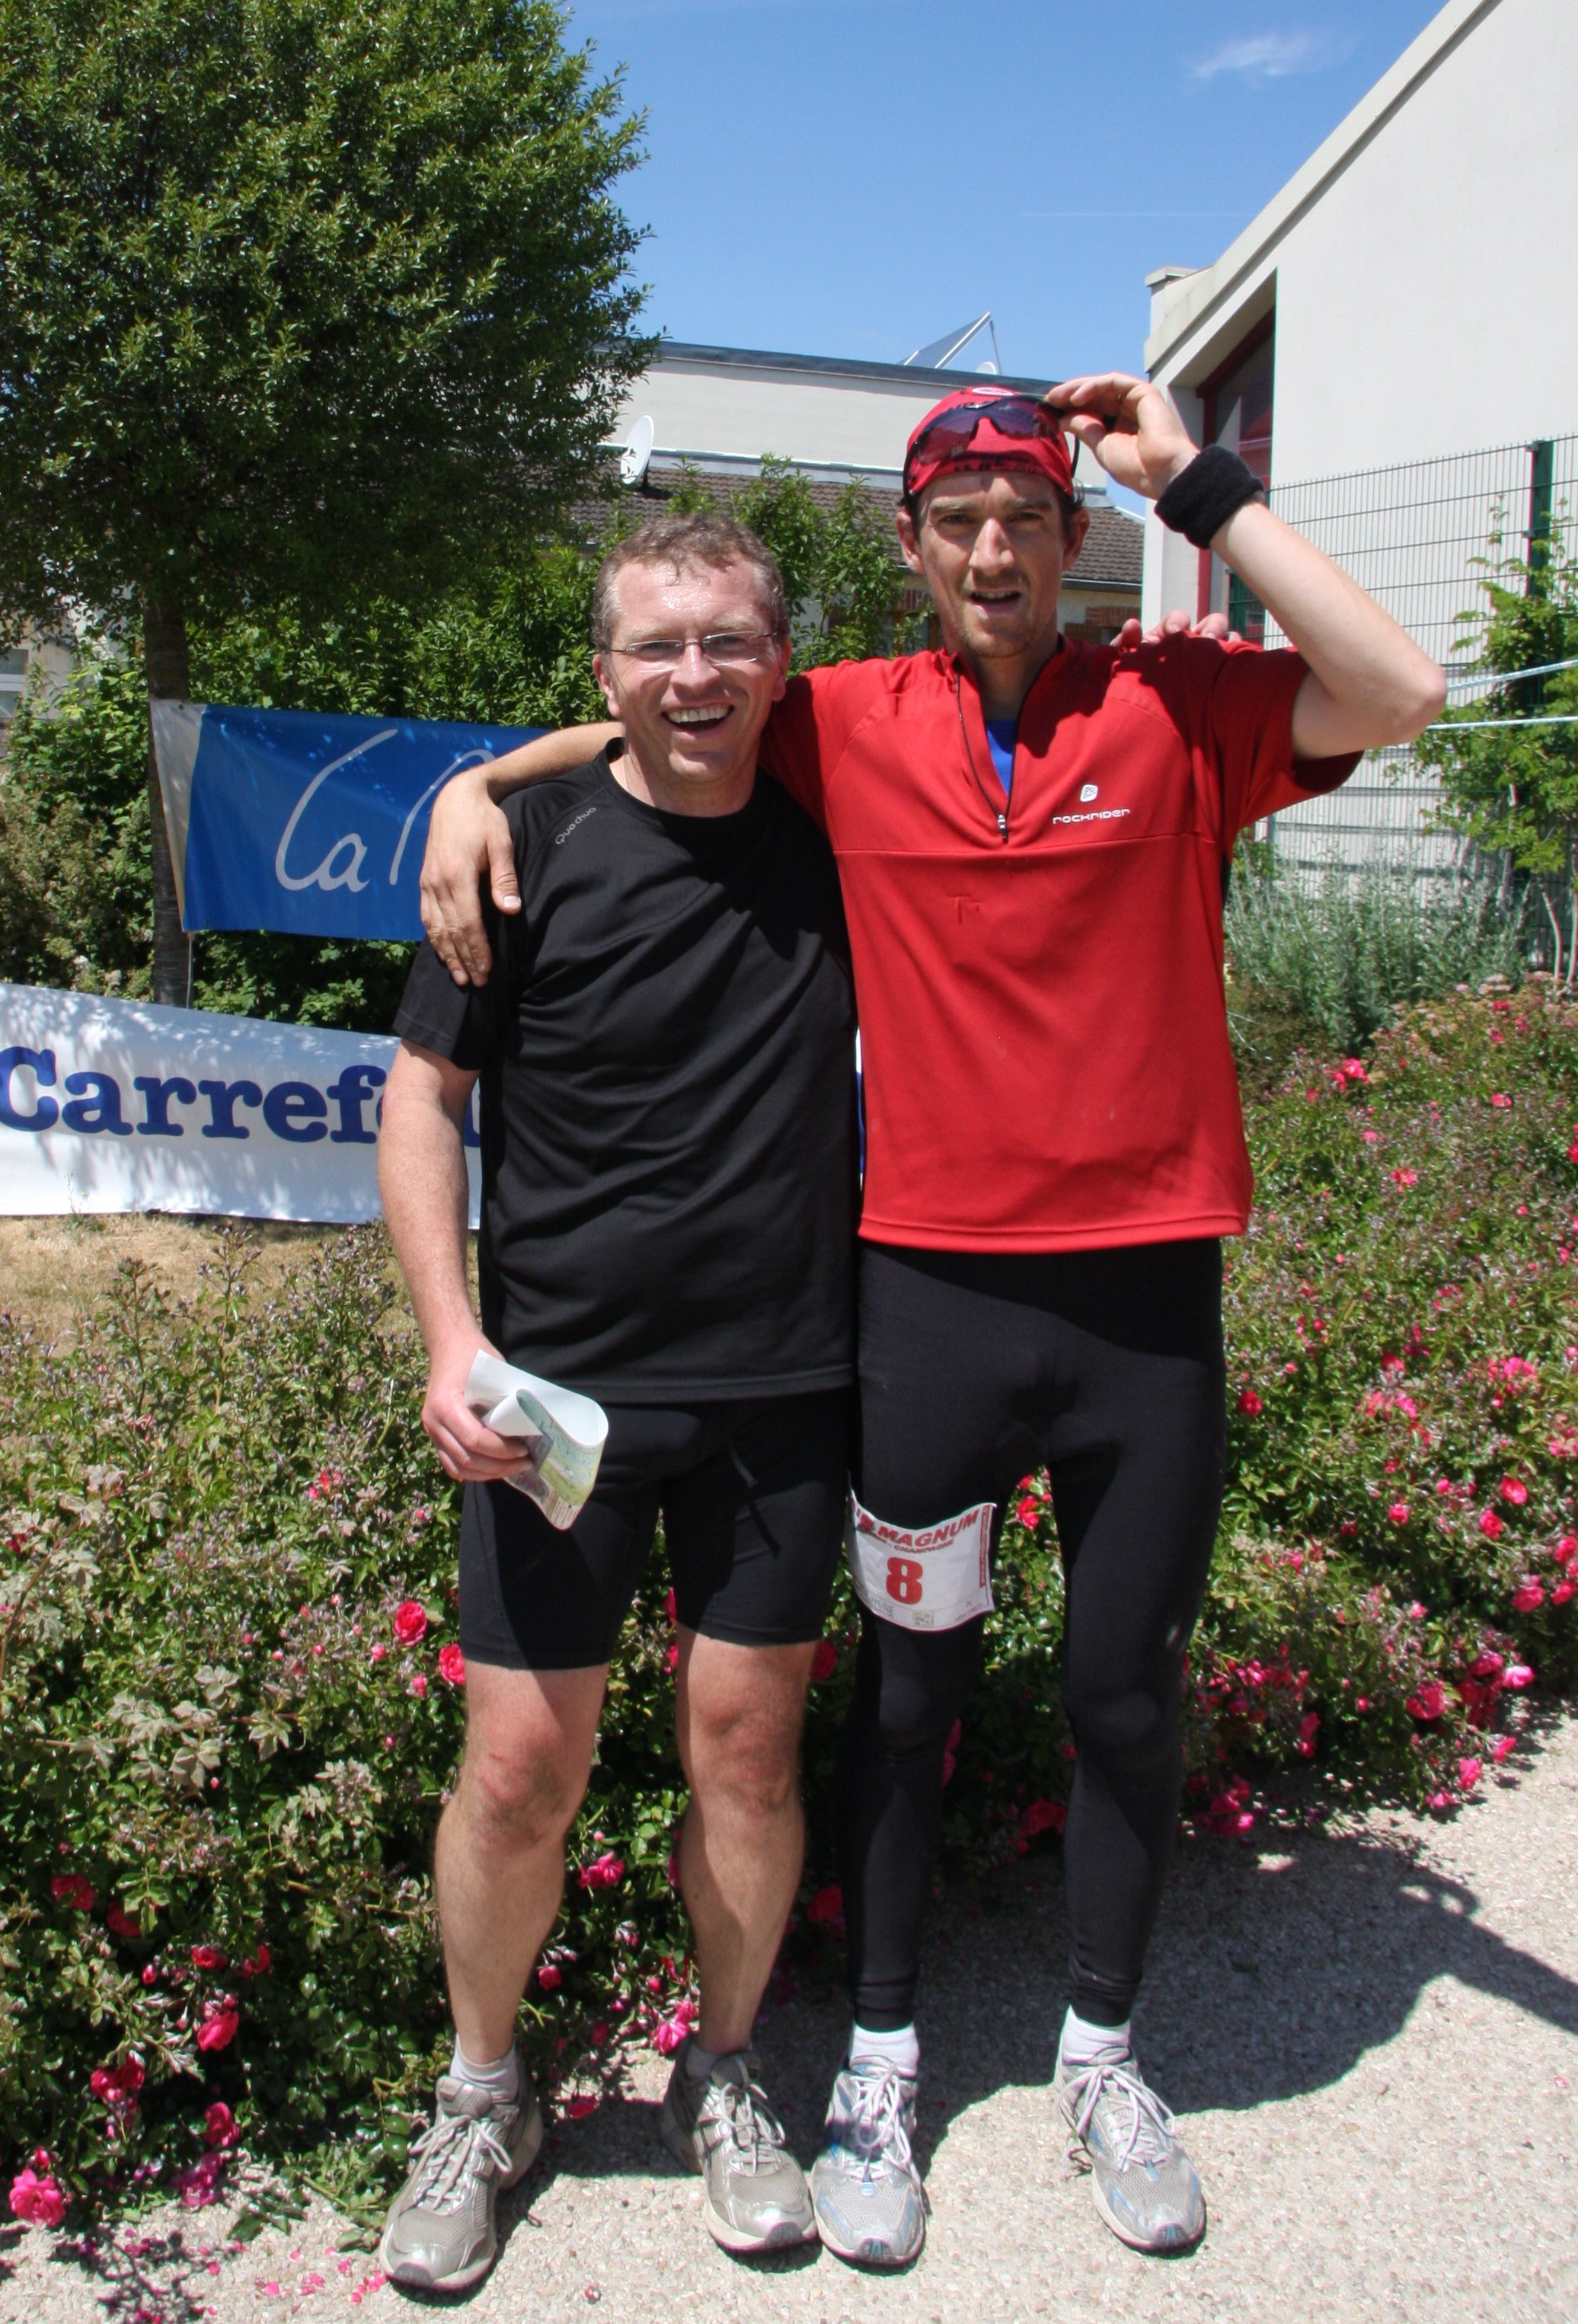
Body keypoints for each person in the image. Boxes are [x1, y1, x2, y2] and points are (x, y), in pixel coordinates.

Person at [416, 375, 1445, 2267]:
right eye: (957, 521)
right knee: (904, 1695)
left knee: (1124, 1689)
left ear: (1075, 535)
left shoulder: (1175, 698)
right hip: (923, 1301)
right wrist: (474, 782)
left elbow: (1397, 687)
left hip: (1142, 1304)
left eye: (1026, 517)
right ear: (908, 547)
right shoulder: (850, 718)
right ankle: (874, 2059)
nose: (991, 550)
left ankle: (1101, 2053)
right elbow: (670, 707)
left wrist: (1198, 483)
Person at [376, 510, 861, 2290]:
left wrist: (478, 764)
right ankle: (483, 2091)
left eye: (729, 640)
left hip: (785, 1385)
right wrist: (450, 1341)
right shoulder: (524, 851)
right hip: (554, 1400)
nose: (693, 675)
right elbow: (419, 1102)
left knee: (749, 1753)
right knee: (520, 1767)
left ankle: (722, 2072)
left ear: (780, 663)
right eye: (655, 644)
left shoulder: (839, 831)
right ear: (603, 670)